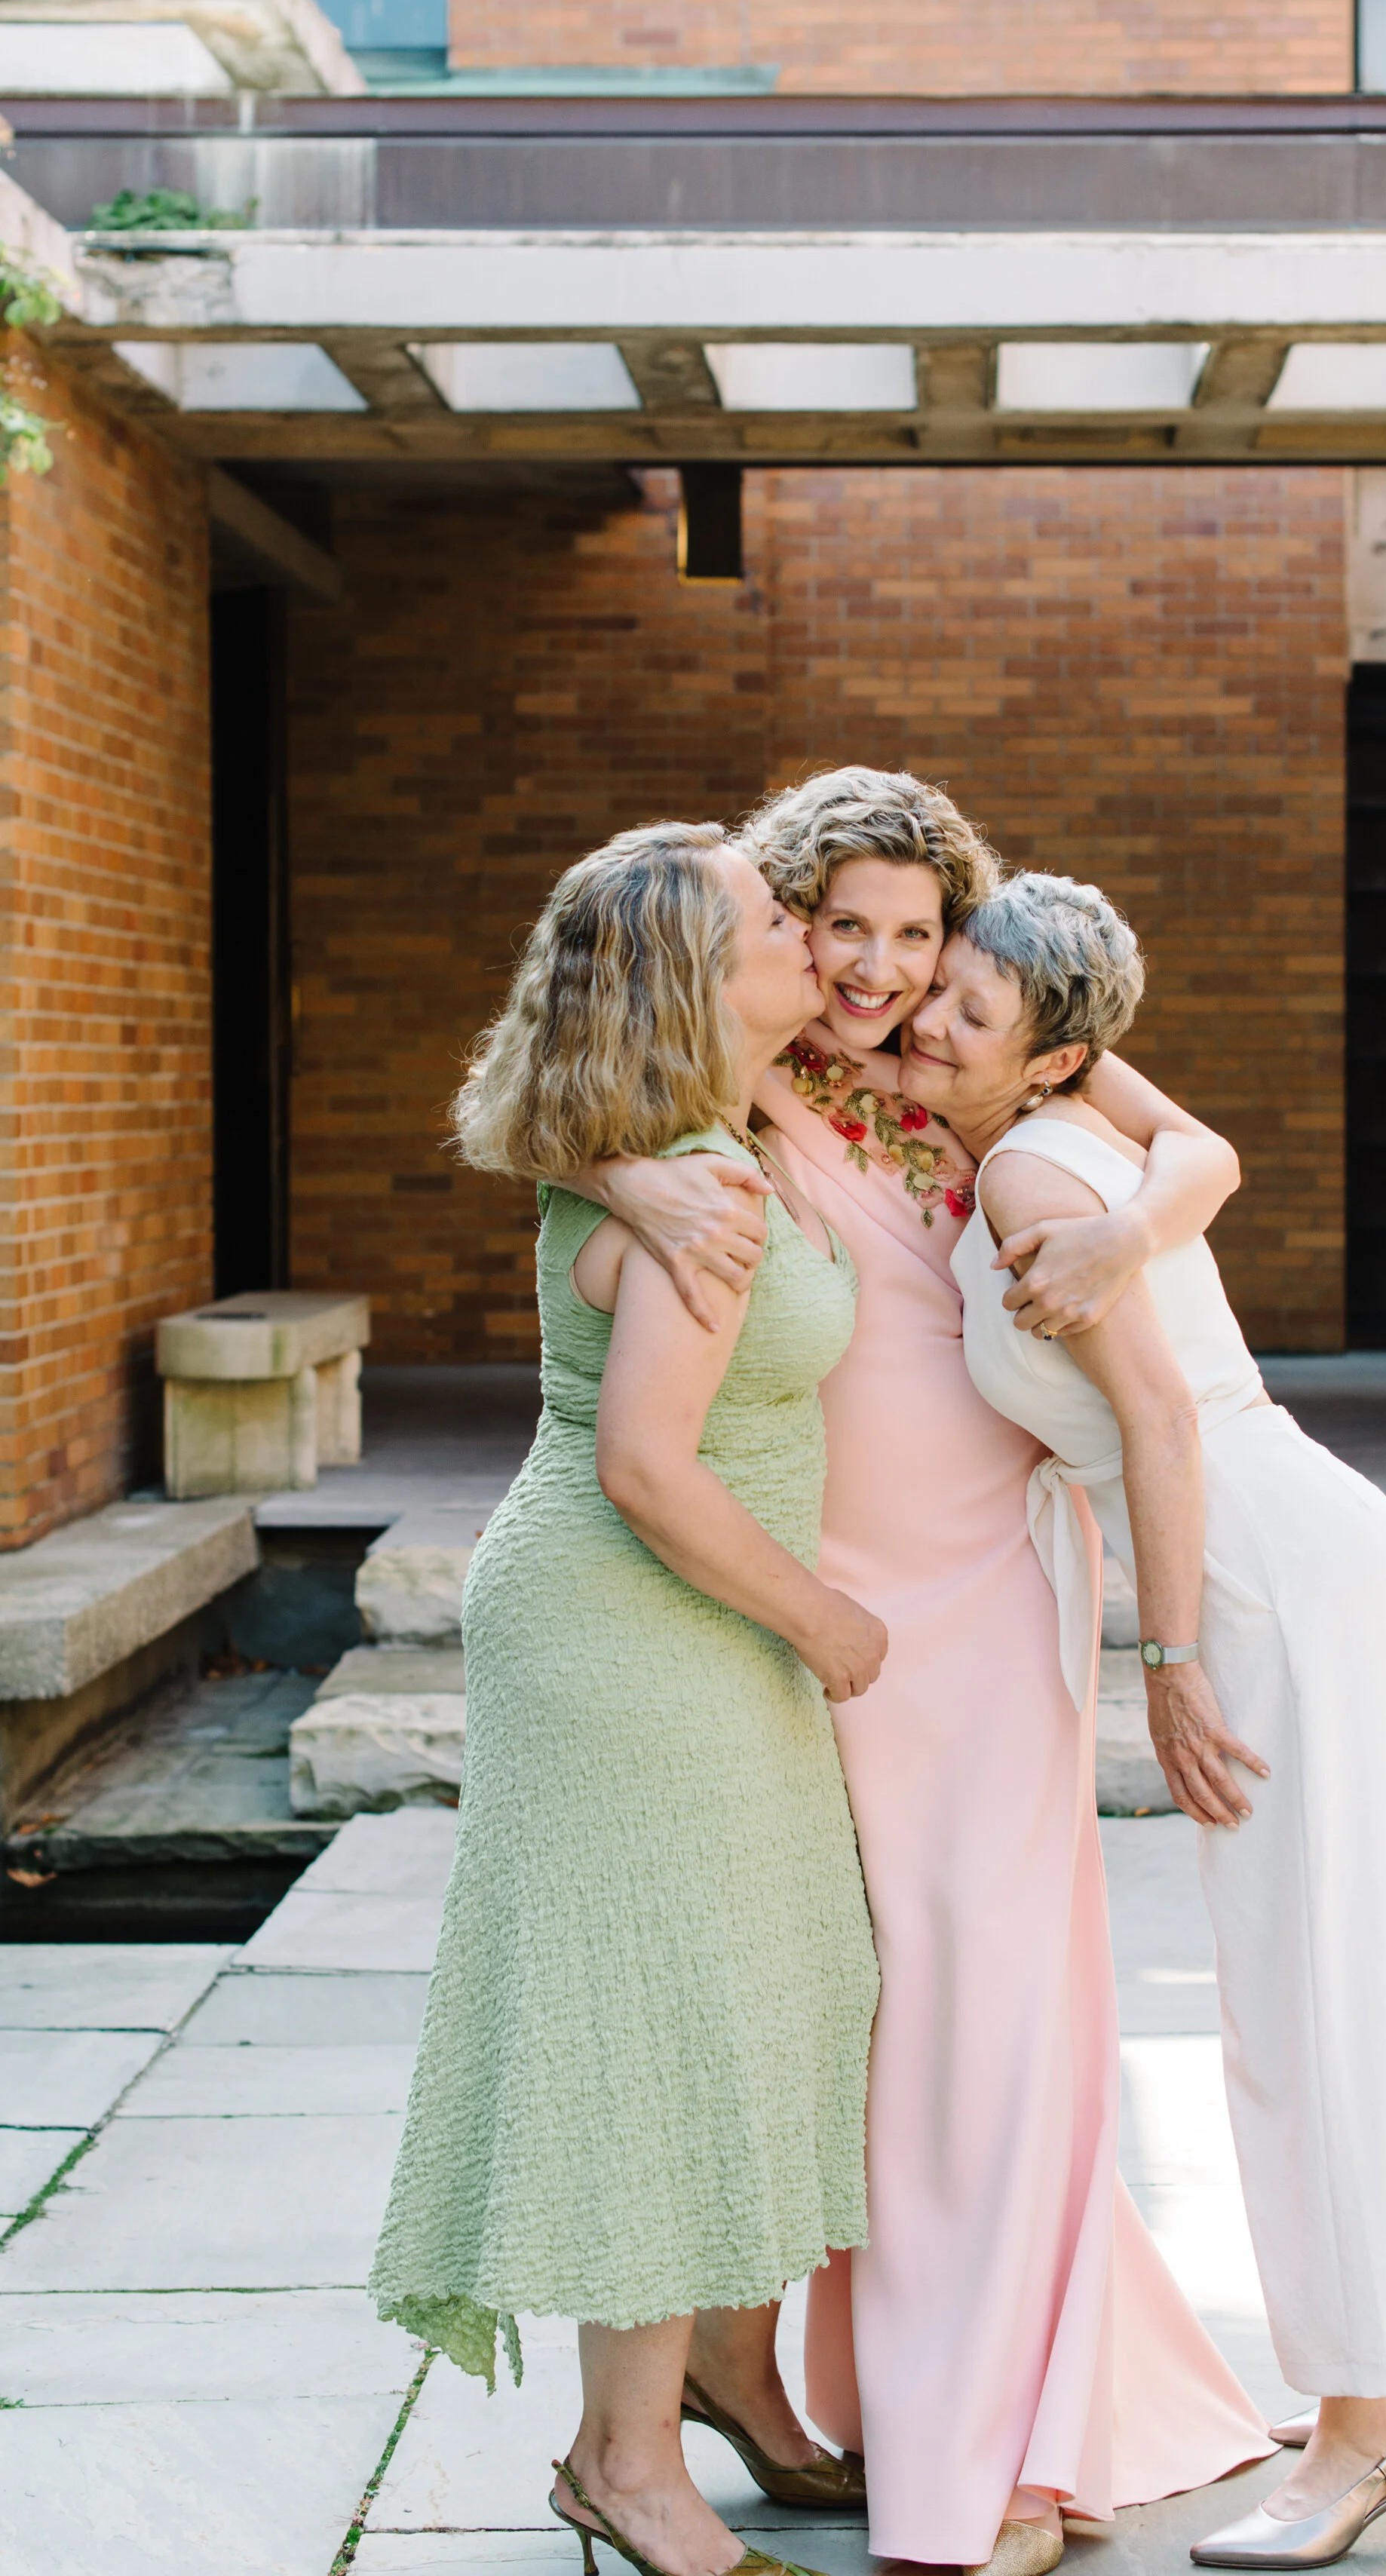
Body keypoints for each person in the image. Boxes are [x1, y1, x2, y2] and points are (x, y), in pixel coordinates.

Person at [591, 770, 1272, 2576]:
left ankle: (1014, 2438)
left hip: (986, 1593)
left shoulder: (982, 1058)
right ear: (790, 925)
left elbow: (1194, 1146)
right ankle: (887, 2380)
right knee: (874, 2014)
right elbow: (545, 1092)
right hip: (829, 1598)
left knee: (993, 2002)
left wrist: (1135, 1229)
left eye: (920, 936)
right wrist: (610, 1172)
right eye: (850, 929)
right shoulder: (729, 1065)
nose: (887, 968)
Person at [902, 867, 1386, 2572]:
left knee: (1299, 1997)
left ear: (1047, 1051)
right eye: (935, 991)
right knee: (1349, 1965)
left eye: (967, 1011)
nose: (929, 1022)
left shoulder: (1027, 1154)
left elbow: (1154, 1427)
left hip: (1255, 1577)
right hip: (1301, 1541)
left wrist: (1165, 1669)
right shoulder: (1069, 1110)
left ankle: (1364, 2438)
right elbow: (1203, 1159)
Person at [369, 823, 885, 2576]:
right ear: (700, 975)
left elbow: (544, 1102)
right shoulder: (699, 1181)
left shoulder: (707, 1143)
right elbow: (649, 1470)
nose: (807, 939)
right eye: (771, 920)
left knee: (739, 1998)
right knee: (656, 2031)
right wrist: (826, 1622)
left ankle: (715, 2388)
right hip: (634, 1626)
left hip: (677, 1633)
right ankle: (625, 2463)